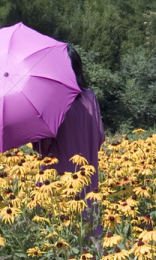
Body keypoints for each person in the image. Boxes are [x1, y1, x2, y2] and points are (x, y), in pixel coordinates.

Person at [33, 45, 106, 246]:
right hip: (88, 180)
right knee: (89, 239)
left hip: (57, 183)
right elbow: (100, 137)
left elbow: (42, 146)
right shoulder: (90, 97)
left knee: (58, 242)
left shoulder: (53, 101)